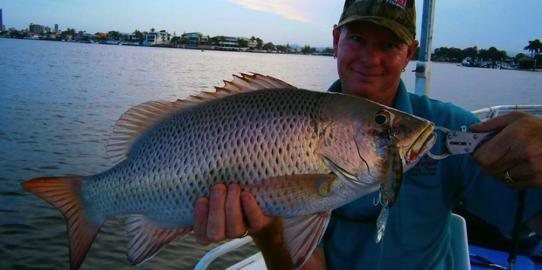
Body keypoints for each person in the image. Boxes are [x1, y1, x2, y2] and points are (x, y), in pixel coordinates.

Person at [193, 0, 542, 269]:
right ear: (335, 40)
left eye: (389, 45)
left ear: (410, 54)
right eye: (357, 38)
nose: (370, 58)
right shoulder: (286, 134)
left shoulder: (446, 129)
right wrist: (269, 234)